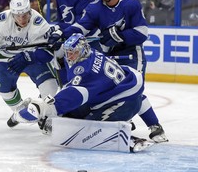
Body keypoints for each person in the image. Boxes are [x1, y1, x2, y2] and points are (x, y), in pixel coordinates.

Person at [57, 0, 168, 143]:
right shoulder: (95, 8)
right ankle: (121, 119)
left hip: (132, 54)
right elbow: (80, 28)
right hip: (109, 55)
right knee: (112, 91)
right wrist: (60, 33)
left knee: (133, 89)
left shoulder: (131, 4)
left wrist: (118, 35)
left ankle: (155, 126)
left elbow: (142, 33)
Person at [12, 34, 150, 152]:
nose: (70, 56)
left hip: (124, 103)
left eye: (74, 52)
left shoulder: (85, 71)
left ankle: (127, 139)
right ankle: (119, 124)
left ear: (83, 50)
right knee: (71, 114)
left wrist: (43, 108)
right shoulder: (90, 53)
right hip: (119, 94)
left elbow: (74, 94)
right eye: (68, 52)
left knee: (88, 130)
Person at [0, 0, 58, 127]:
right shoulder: (1, 22)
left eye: (25, 14)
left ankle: (44, 113)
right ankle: (20, 110)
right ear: (12, 13)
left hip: (32, 58)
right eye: (18, 15)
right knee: (3, 90)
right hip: (6, 58)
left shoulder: (39, 23)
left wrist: (29, 57)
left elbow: (48, 53)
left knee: (51, 85)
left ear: (29, 11)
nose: (22, 18)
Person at [27, 0, 102, 85]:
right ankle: (65, 87)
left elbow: (80, 26)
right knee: (57, 56)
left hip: (87, 40)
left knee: (87, 74)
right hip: (67, 34)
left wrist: (58, 29)